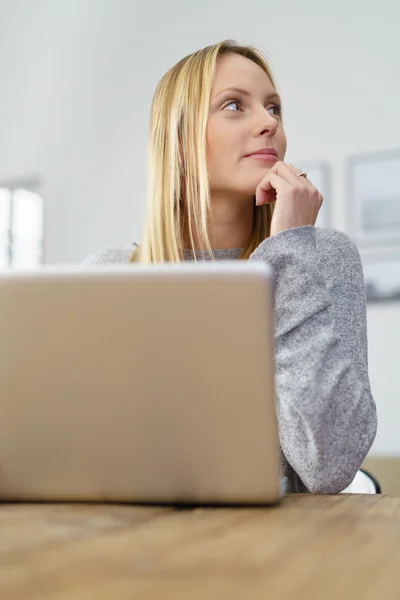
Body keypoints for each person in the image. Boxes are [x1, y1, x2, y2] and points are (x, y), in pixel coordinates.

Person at [83, 39, 377, 494]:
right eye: (235, 105)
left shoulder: (322, 258)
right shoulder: (109, 273)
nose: (269, 124)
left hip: (285, 549)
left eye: (274, 108)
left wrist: (290, 254)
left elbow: (331, 468)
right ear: (178, 141)